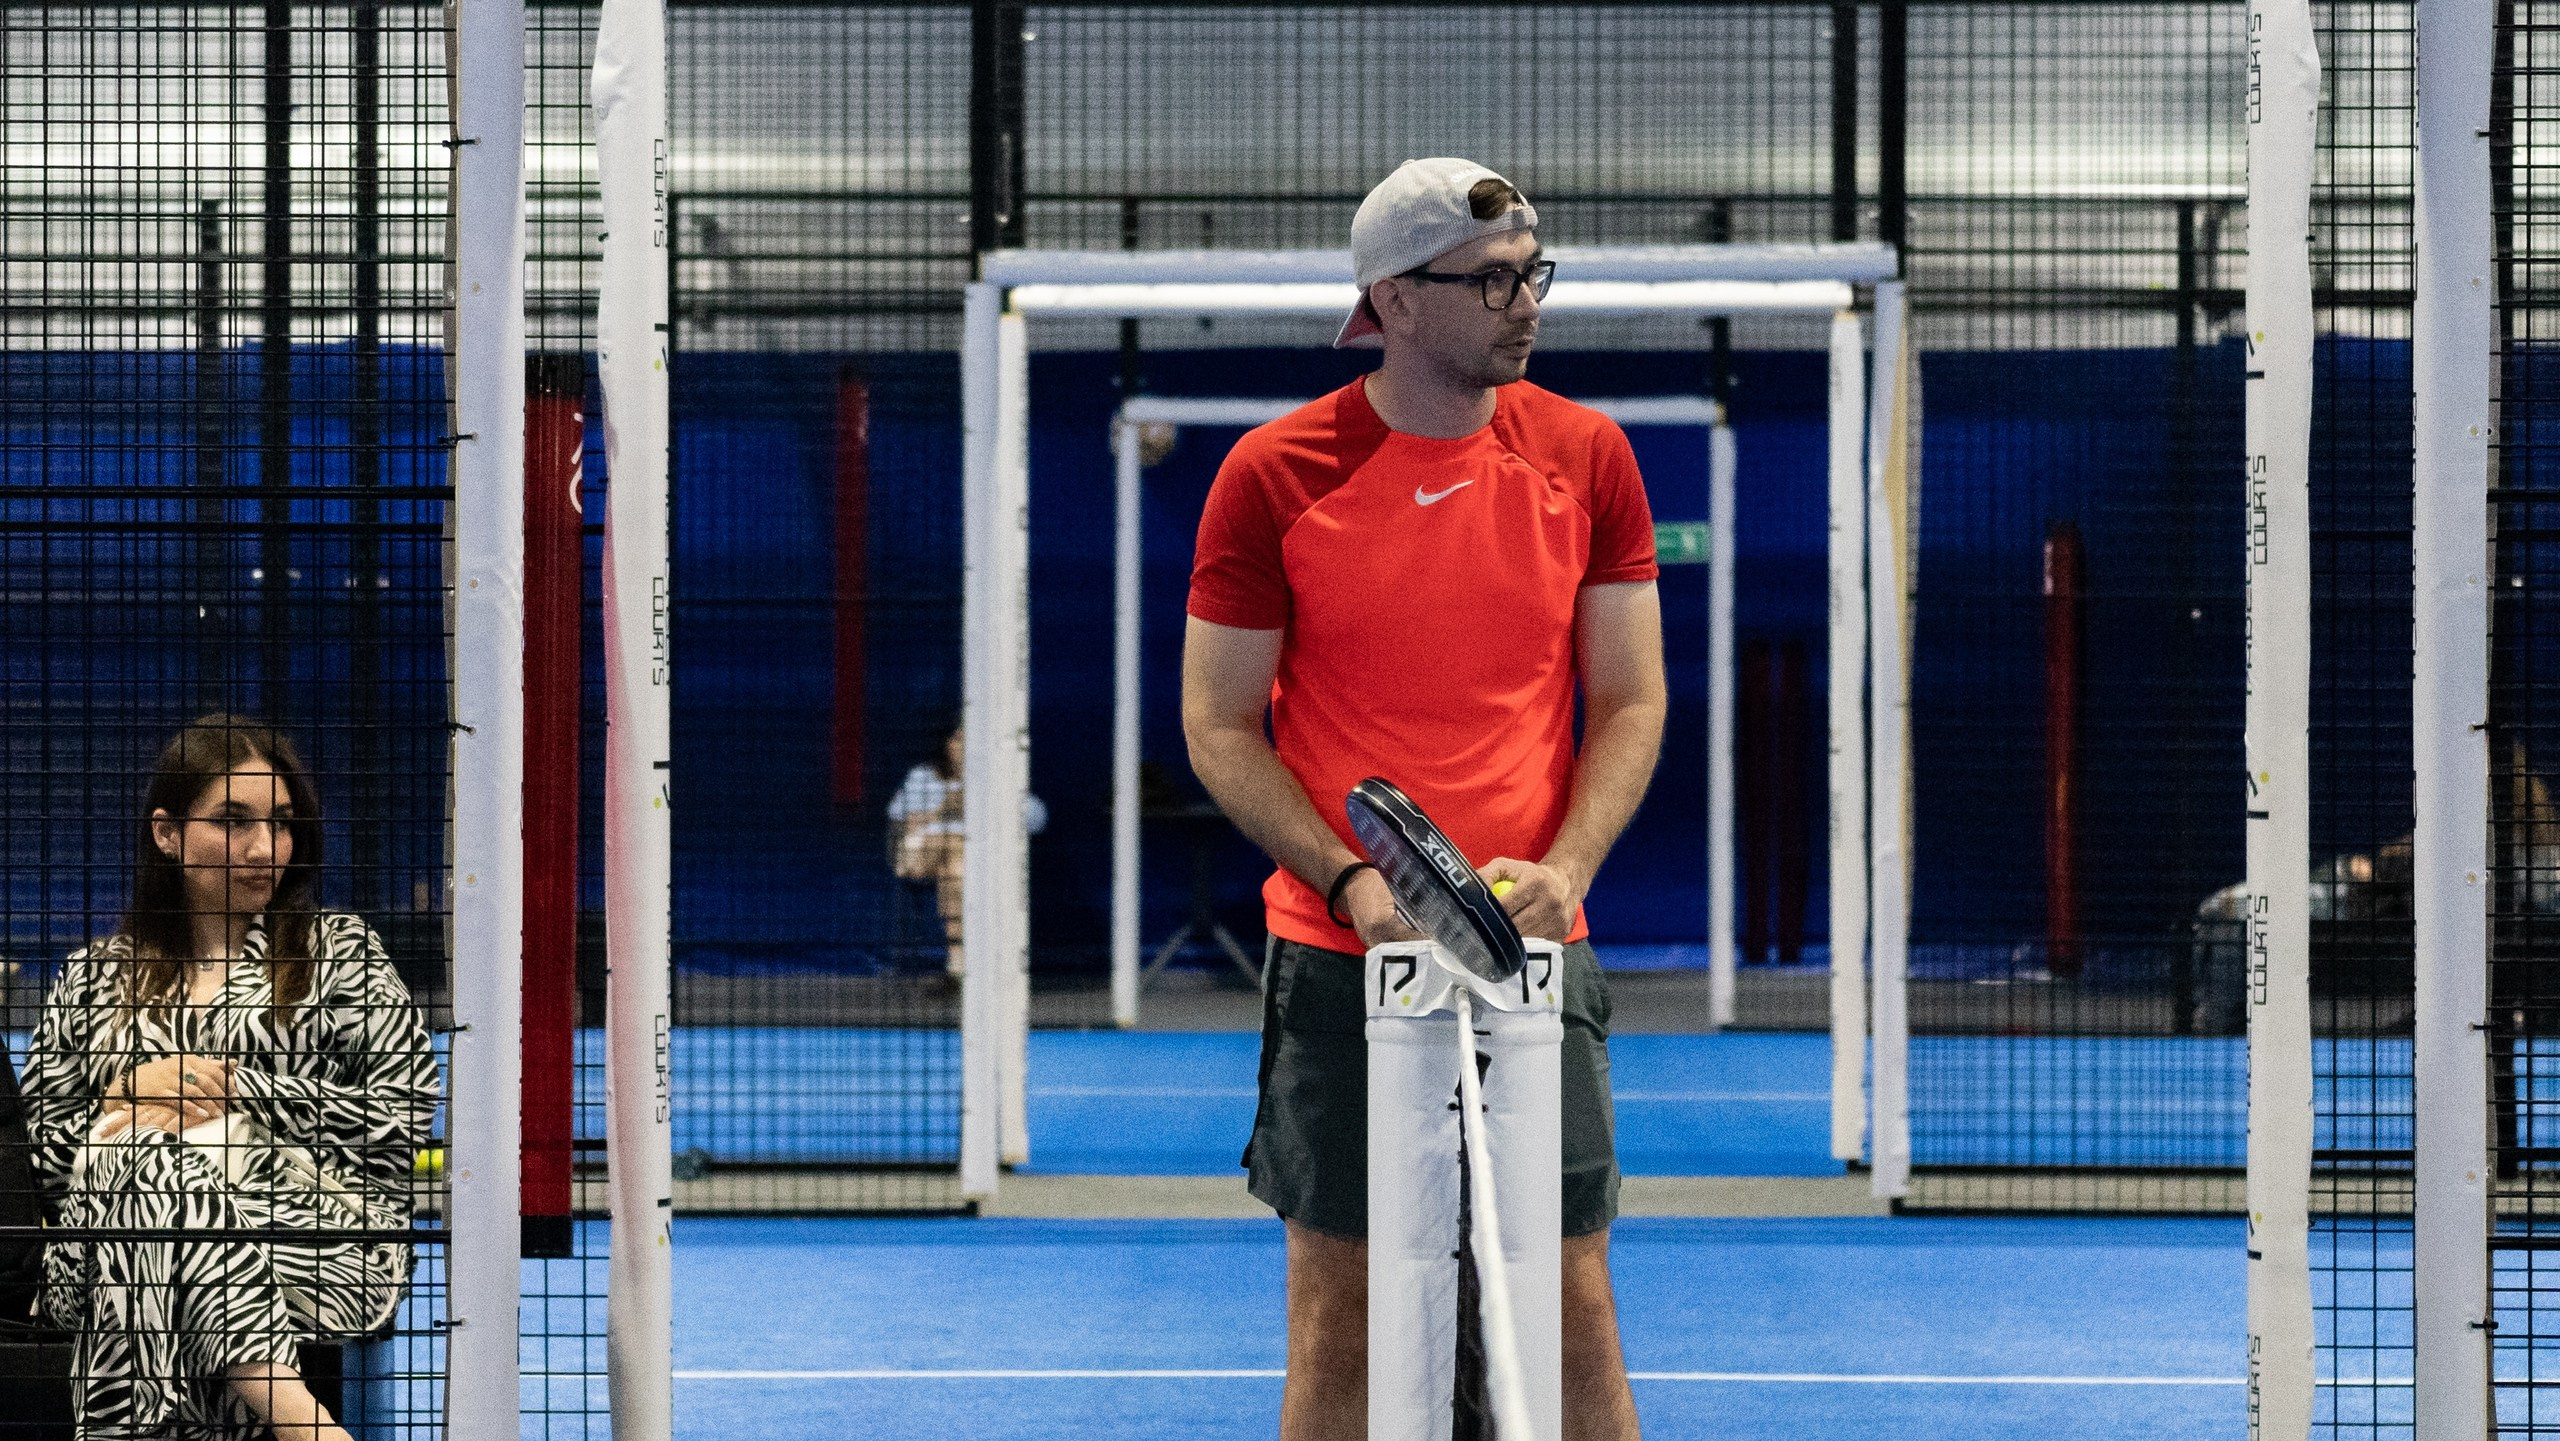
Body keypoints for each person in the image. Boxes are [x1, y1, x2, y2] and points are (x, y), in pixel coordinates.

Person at [1182, 158, 1662, 1440]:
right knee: (1342, 1326)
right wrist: (1350, 878)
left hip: (1538, 955)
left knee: (1570, 1313)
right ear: (1390, 300)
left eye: (1532, 272)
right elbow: (1219, 726)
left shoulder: (1589, 457)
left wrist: (1566, 870)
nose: (1525, 302)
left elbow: (1629, 700)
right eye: (1490, 279)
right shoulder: (1271, 476)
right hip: (1342, 955)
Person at [22, 715, 440, 1440]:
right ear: (166, 832)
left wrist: (235, 1092)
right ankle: (305, 1424)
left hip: (317, 1241)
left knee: (144, 1177)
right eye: (232, 820)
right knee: (142, 1165)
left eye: (280, 823)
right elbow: (34, 1163)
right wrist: (123, 1097)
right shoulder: (92, 979)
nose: (263, 848)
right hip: (105, 1246)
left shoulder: (341, 954)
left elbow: (402, 1118)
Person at [887, 724, 1046, 978]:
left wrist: (991, 807)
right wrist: (943, 810)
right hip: (920, 856)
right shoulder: (924, 777)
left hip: (976, 861)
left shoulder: (999, 778)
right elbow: (899, 817)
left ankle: (958, 959)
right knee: (956, 851)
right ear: (946, 743)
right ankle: (968, 959)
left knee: (957, 865)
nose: (965, 747)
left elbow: (1037, 818)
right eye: (959, 739)